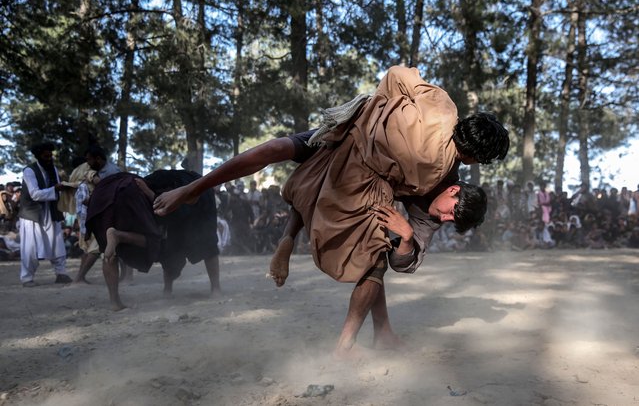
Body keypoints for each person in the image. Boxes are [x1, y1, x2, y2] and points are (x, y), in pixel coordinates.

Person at [153, 66, 508, 355]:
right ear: (460, 180)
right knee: (287, 159)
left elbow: (409, 260)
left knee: (372, 245)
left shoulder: (440, 116)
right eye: (448, 213)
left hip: (357, 173)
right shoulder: (441, 163)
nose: (444, 218)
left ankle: (369, 331)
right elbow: (398, 79)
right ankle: (193, 189)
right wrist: (375, 110)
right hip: (348, 133)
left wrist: (405, 237)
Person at [86, 170, 220, 310]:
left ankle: (116, 301)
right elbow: (164, 202)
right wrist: (151, 194)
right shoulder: (181, 189)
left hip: (102, 195)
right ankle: (215, 289)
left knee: (112, 251)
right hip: (141, 190)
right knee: (161, 243)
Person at [18, 142, 73, 287]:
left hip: (51, 211)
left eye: (51, 155)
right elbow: (35, 194)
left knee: (57, 243)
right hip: (32, 213)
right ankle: (27, 278)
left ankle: (61, 273)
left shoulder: (53, 169)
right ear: (38, 156)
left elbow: (56, 189)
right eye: (46, 156)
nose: (49, 158)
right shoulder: (29, 171)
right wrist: (55, 189)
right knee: (30, 248)